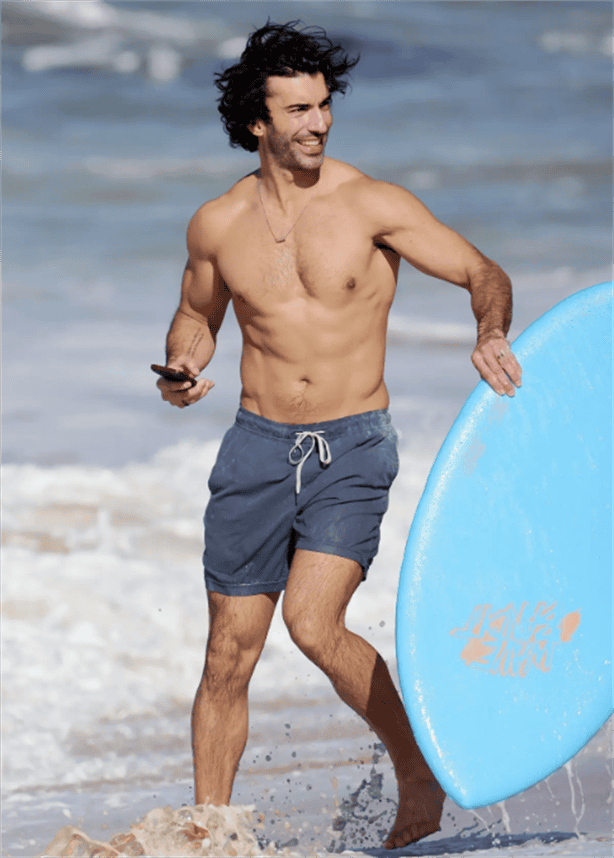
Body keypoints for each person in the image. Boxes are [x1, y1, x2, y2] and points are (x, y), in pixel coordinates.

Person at [155, 21, 522, 850]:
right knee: (227, 654)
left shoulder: (371, 204)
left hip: (351, 445)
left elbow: (481, 271)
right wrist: (181, 366)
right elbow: (195, 317)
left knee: (313, 621)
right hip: (255, 447)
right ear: (258, 121)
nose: (319, 122)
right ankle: (212, 829)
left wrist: (491, 330)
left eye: (324, 105)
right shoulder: (217, 224)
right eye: (299, 109)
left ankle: (418, 772)